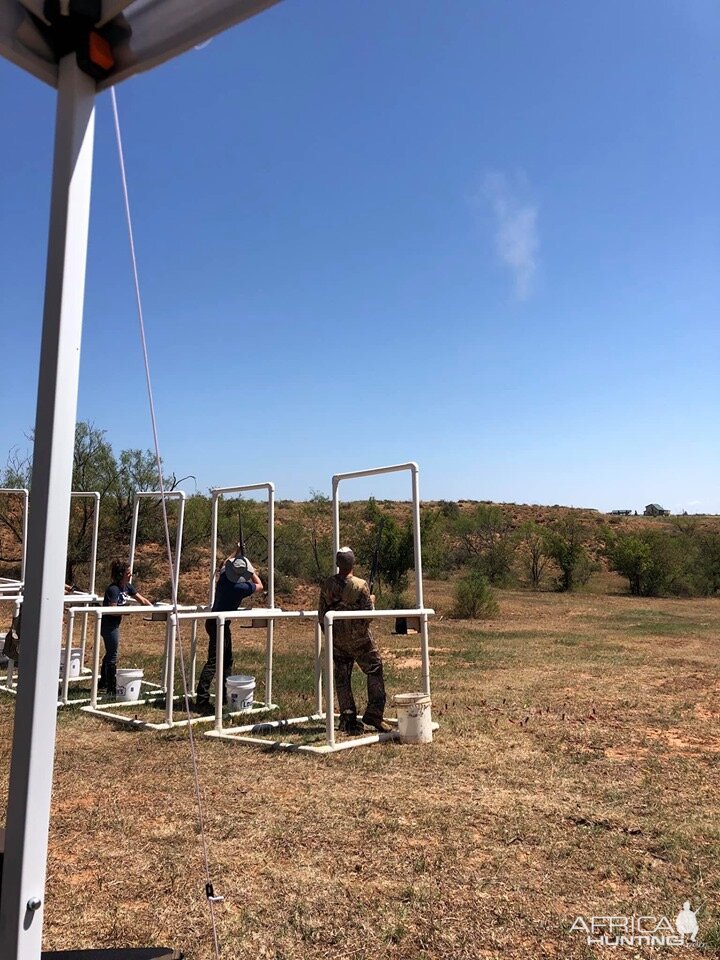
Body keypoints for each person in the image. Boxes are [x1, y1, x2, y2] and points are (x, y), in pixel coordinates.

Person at [318, 546, 391, 735]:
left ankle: (347, 718)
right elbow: (368, 615)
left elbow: (321, 614)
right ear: (353, 564)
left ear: (337, 563)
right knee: (375, 668)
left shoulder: (327, 585)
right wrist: (372, 601)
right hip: (360, 641)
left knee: (342, 678)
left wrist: (331, 635)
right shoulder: (361, 585)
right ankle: (374, 713)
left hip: (337, 640)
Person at [195, 546, 263, 715]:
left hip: (216, 622)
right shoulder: (239, 588)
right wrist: (251, 569)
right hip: (219, 624)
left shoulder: (225, 578)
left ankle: (225, 695)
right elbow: (259, 585)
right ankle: (202, 699)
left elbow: (225, 563)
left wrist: (237, 551)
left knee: (226, 660)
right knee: (215, 661)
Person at [99, 560, 151, 694]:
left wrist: (155, 608)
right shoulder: (113, 589)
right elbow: (112, 609)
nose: (130, 575)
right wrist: (126, 611)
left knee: (110, 652)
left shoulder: (127, 587)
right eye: (128, 573)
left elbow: (143, 600)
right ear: (121, 574)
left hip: (115, 624)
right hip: (108, 625)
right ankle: (110, 688)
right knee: (113, 653)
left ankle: (103, 682)